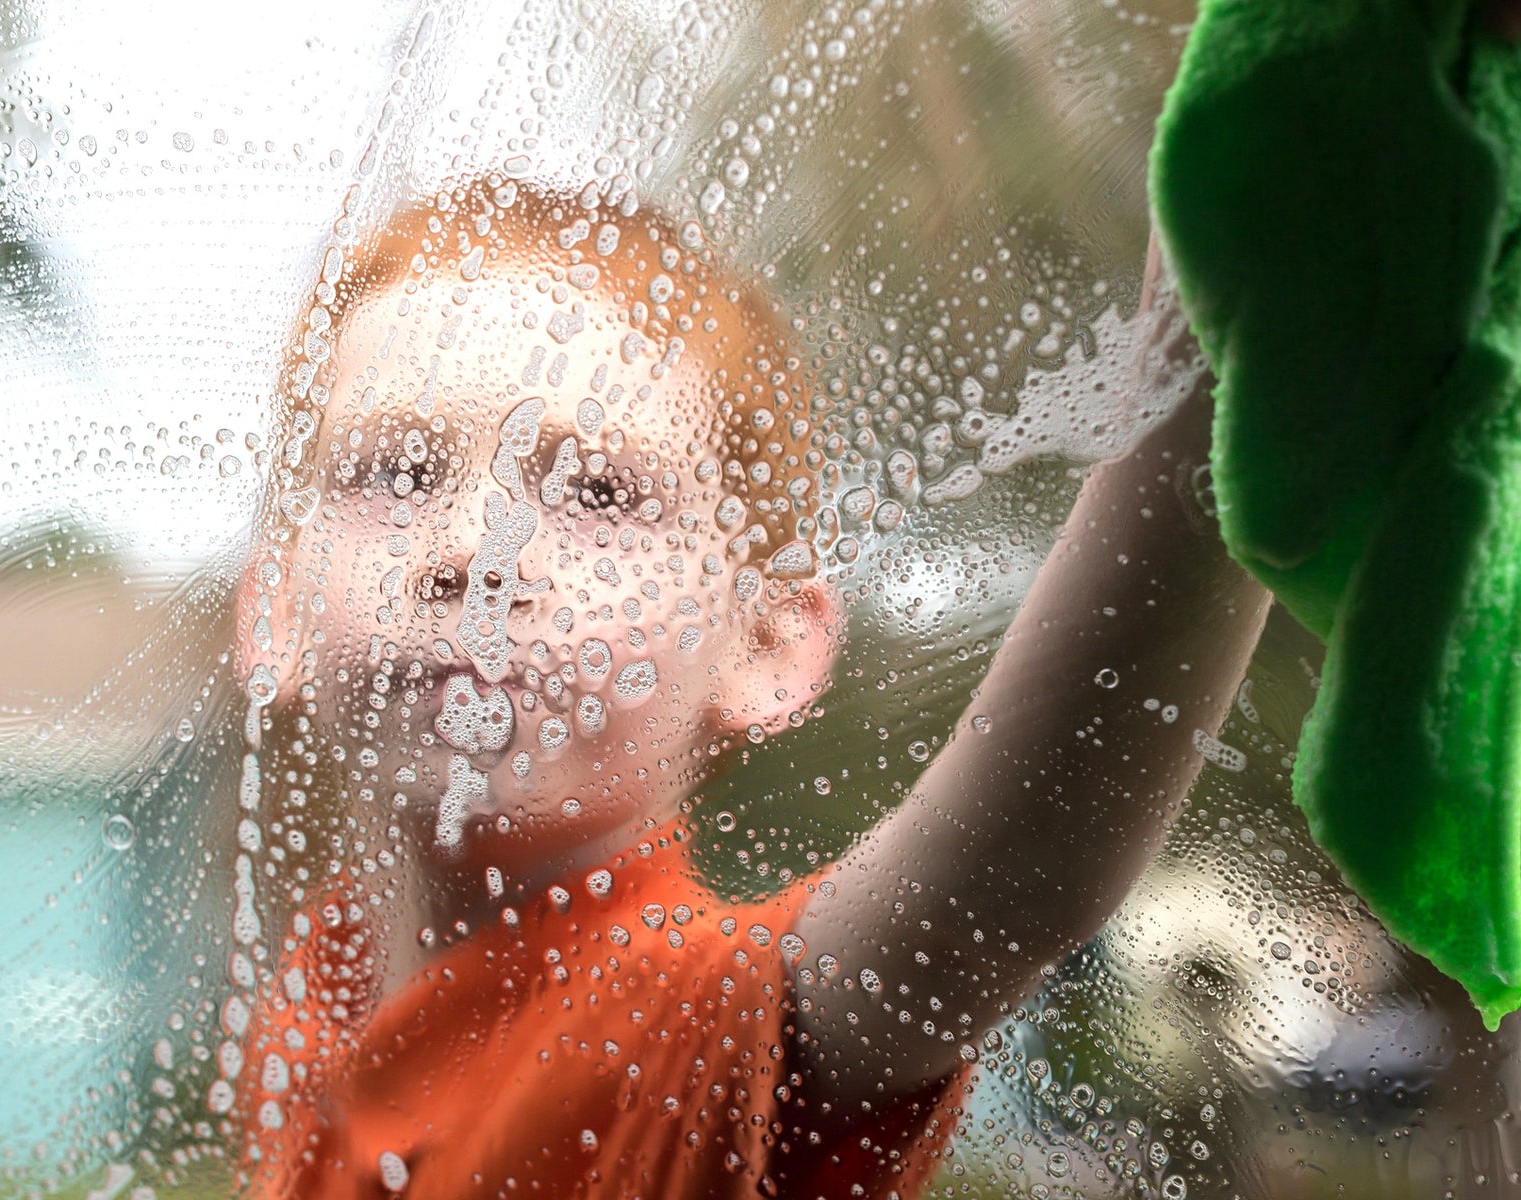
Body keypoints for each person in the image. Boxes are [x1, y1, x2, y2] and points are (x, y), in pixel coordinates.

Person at [219, 176, 1268, 1199]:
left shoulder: (682, 1028)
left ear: (765, 645)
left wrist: (1230, 303)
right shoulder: (324, 991)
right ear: (272, 609)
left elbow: (1004, 887)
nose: (472, 550)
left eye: (596, 490)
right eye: (392, 475)